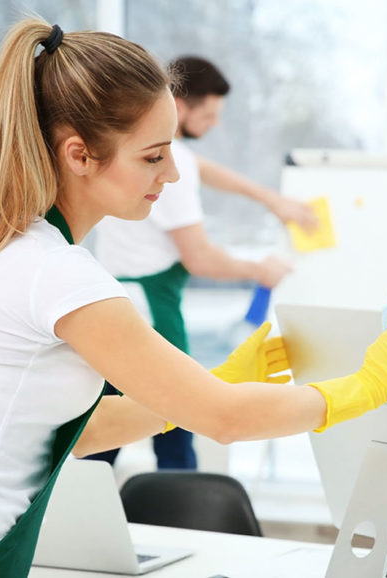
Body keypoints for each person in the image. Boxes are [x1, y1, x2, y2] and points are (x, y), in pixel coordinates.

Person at [0, 19, 387, 578]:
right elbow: (227, 420)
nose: (170, 175)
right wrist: (365, 387)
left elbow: (71, 429)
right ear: (79, 154)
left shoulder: (8, 249)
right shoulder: (58, 275)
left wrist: (211, 382)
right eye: (152, 156)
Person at [90, 56, 317, 469]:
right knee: (174, 420)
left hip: (119, 299)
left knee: (109, 424)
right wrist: (258, 268)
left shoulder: (147, 154)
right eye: (208, 115)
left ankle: (74, 511)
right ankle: (180, 522)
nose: (213, 124)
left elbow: (207, 170)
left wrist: (271, 200)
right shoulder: (170, 168)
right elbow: (199, 258)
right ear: (178, 105)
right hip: (150, 309)